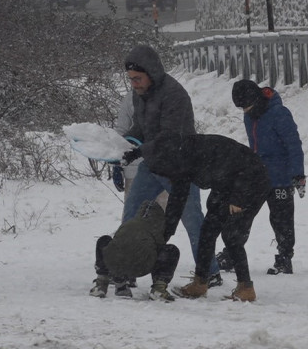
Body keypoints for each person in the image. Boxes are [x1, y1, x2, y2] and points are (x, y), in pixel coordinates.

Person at [114, 45, 220, 287]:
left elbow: (170, 137)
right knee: (130, 216)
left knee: (193, 220)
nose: (134, 84)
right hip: (153, 165)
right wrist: (120, 145)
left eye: (138, 78)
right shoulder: (139, 94)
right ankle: (125, 265)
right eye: (130, 79)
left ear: (152, 72)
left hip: (180, 167)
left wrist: (139, 150)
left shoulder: (175, 95)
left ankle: (209, 271)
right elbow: (142, 128)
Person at [123, 132, 271, 302]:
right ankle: (200, 283)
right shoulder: (176, 160)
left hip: (250, 182)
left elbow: (244, 164)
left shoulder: (196, 151)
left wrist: (238, 198)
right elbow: (176, 204)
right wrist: (164, 236)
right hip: (225, 185)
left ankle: (246, 288)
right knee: (207, 231)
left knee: (232, 236)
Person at [216, 80, 305, 275]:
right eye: (241, 108)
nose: (245, 110)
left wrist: (298, 174)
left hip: (280, 177)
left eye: (246, 106)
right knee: (241, 216)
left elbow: (293, 145)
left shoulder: (279, 114)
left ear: (255, 99)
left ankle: (284, 258)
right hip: (256, 176)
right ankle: (231, 254)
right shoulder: (250, 116)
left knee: (282, 220)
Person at [89, 199, 179, 302]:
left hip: (115, 263)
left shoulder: (129, 223)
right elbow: (158, 250)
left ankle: (102, 283)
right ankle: (158, 288)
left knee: (105, 241)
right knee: (171, 250)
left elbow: (117, 243)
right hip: (142, 266)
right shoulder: (156, 230)